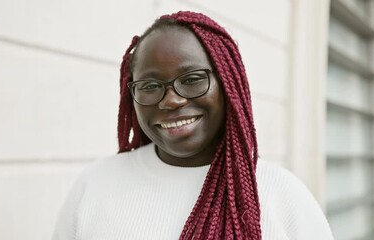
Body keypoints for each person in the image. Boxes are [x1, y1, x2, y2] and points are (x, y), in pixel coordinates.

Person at [53, 11, 334, 240]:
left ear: (228, 85)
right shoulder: (95, 184)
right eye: (150, 85)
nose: (172, 101)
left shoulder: (281, 195)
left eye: (192, 79)